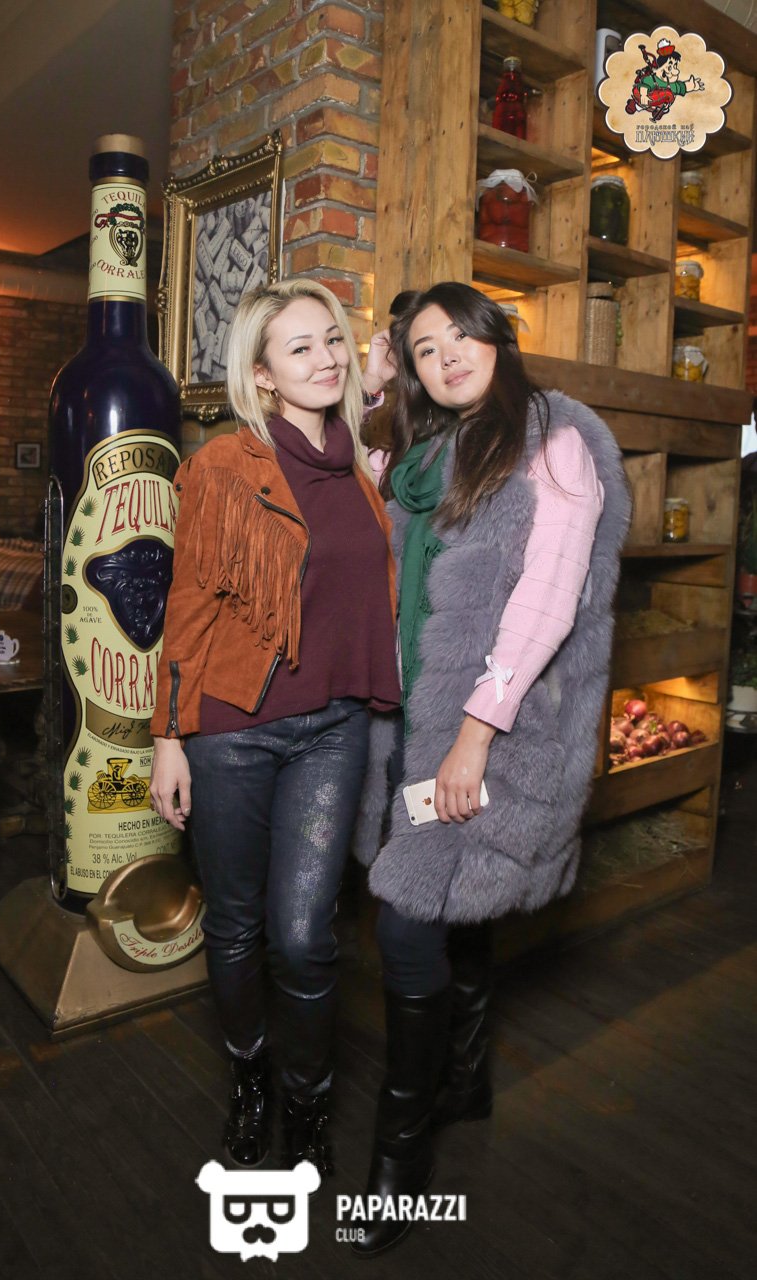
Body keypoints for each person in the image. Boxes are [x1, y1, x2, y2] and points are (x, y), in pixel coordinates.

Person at [351, 281, 631, 1255]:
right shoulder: (422, 455)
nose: (445, 357)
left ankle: (398, 1158)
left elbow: (550, 596)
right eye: (423, 349)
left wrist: (473, 732)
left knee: (405, 923)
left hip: (485, 725)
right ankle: (466, 1078)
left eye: (458, 336)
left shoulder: (553, 437)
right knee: (451, 905)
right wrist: (371, 384)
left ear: (496, 337)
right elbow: (350, 485)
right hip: (405, 716)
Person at [148, 278, 400, 1176]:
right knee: (234, 926)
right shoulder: (225, 465)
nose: (325, 358)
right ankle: (251, 1077)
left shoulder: (357, 460)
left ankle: (308, 1095)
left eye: (332, 339)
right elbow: (187, 605)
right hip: (233, 730)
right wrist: (168, 738)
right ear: (261, 375)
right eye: (300, 348)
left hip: (332, 728)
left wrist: (382, 378)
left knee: (304, 936)